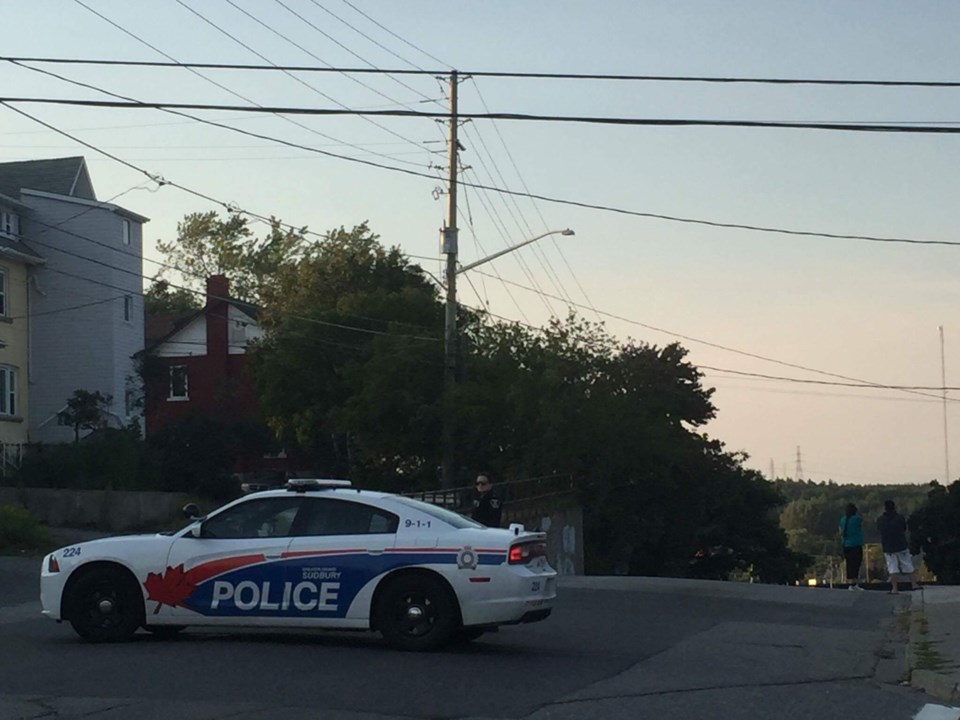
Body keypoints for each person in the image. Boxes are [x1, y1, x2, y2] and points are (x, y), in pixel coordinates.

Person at [876, 499, 919, 594]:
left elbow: (879, 530)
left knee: (892, 568)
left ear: (885, 508)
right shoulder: (900, 518)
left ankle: (894, 588)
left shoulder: (881, 520)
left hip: (888, 547)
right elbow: (904, 528)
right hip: (901, 545)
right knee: (908, 565)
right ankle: (914, 584)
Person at [838, 503, 864, 590]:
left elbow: (840, 532)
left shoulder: (843, 520)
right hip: (856, 544)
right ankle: (855, 583)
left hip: (846, 544)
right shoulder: (857, 519)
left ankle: (850, 583)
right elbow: (864, 523)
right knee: (856, 564)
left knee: (849, 564)